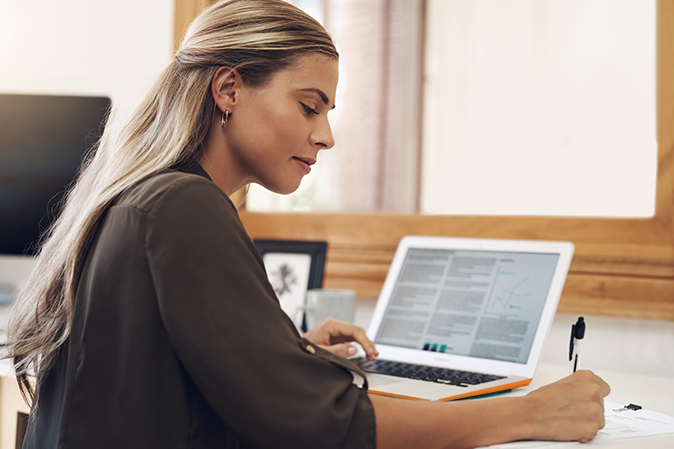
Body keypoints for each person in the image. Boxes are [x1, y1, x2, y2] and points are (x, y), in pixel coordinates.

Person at [6, 0, 610, 448]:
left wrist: (282, 353)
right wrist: (529, 415)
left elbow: (151, 371)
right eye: (308, 106)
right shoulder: (181, 206)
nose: (325, 135)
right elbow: (324, 425)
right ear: (229, 89)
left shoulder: (141, 195)